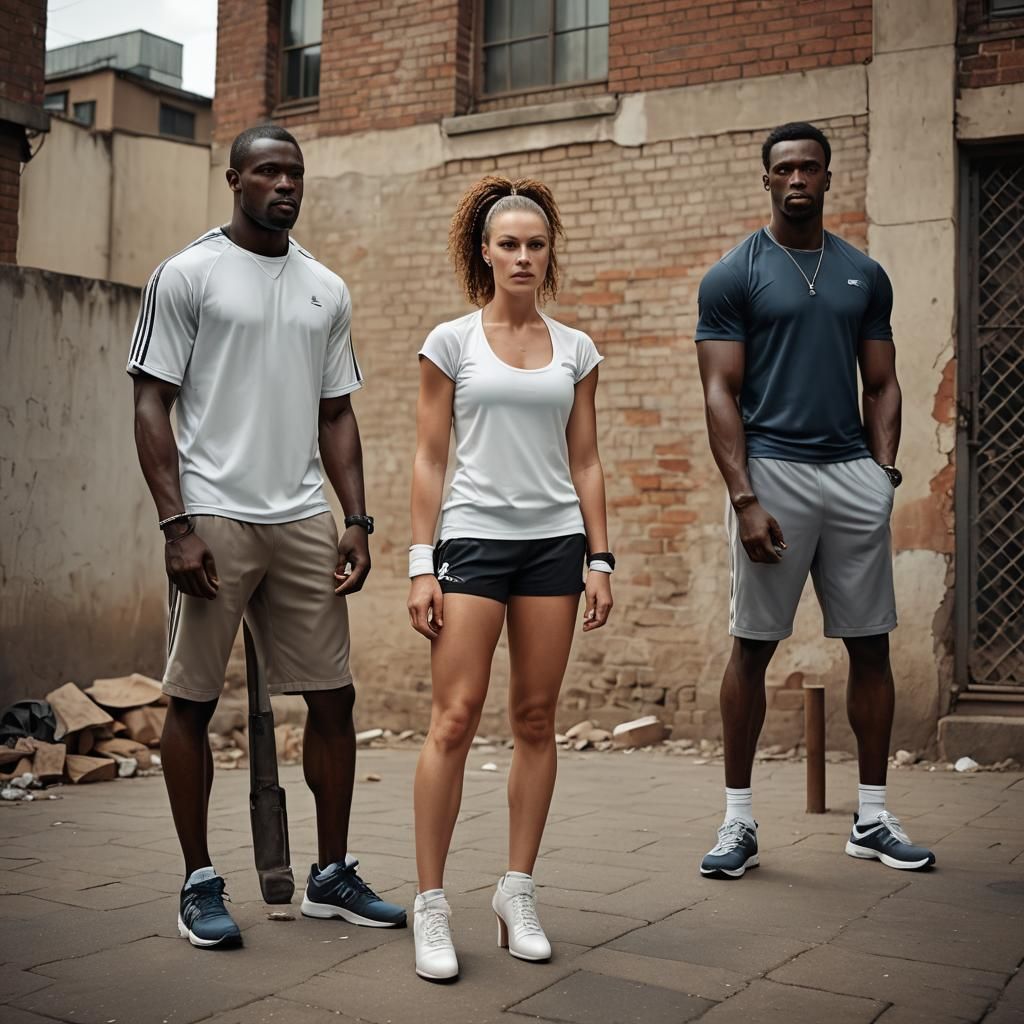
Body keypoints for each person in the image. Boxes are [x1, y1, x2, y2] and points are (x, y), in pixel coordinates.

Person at [129, 124, 406, 950]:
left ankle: (330, 875)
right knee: (193, 701)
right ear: (235, 180)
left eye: (295, 173)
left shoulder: (326, 286)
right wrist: (176, 526)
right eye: (268, 172)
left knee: (334, 698)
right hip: (212, 515)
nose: (285, 185)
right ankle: (198, 881)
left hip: (302, 519)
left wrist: (355, 519)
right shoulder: (188, 274)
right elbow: (151, 404)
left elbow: (336, 413)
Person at [694, 122, 935, 880]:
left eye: (810, 168)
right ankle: (737, 823)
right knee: (752, 646)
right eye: (784, 169)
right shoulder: (734, 274)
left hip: (852, 474)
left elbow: (885, 382)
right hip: (774, 474)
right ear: (766, 179)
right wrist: (744, 498)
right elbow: (719, 391)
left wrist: (884, 476)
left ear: (829, 178)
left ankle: (871, 816)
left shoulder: (864, 273)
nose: (797, 179)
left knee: (871, 643)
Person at [406, 176, 614, 981]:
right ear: (484, 253)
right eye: (509, 244)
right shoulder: (449, 342)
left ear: (548, 251)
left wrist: (600, 557)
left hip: (553, 547)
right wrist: (422, 564)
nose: (523, 256)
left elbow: (586, 458)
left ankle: (515, 891)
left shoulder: (576, 349)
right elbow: (429, 458)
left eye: (535, 244)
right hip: (473, 545)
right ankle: (431, 907)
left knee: (535, 717)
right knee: (453, 719)